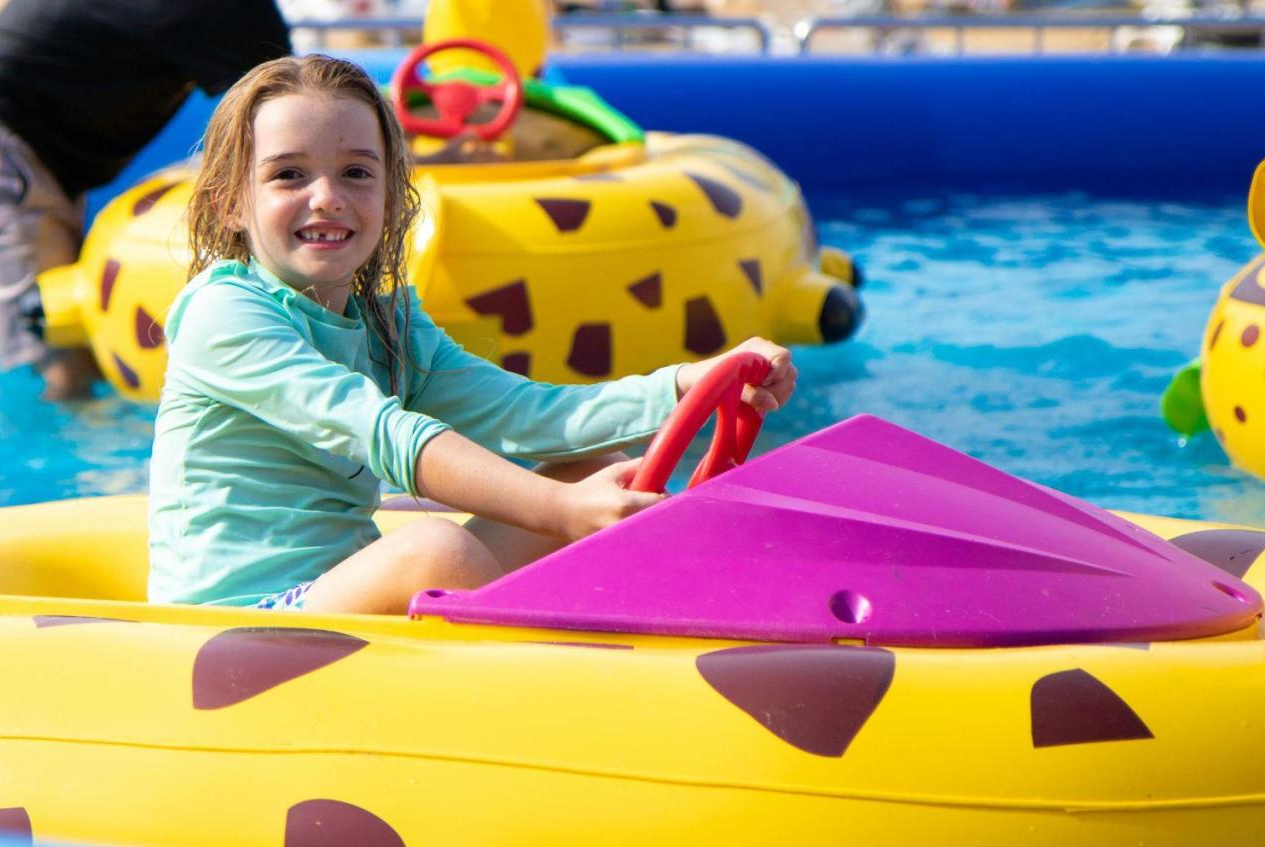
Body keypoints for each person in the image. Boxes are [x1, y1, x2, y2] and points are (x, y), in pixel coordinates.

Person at [147, 54, 796, 615]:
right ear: (232, 200)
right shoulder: (223, 314)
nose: (326, 197)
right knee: (436, 550)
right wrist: (557, 510)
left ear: (391, 194)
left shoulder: (387, 325)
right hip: (234, 616)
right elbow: (384, 433)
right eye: (289, 174)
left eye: (356, 172)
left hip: (336, 586)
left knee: (596, 473)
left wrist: (691, 382)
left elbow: (531, 415)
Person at [0, 0, 291, 401]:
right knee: (61, 351)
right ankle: (74, 455)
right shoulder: (224, 10)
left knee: (76, 343)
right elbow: (289, 115)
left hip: (26, 150)